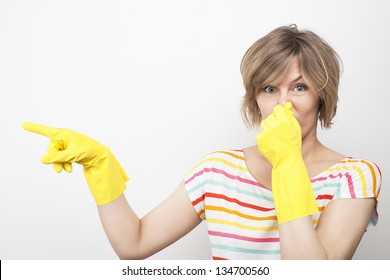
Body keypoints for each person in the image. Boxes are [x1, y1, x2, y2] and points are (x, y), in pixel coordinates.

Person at [22, 24, 382, 260]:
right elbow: (134, 244)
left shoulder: (354, 176)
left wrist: (287, 165)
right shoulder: (218, 170)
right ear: (255, 98)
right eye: (270, 88)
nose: (283, 103)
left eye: (299, 87)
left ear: (323, 94)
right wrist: (100, 165)